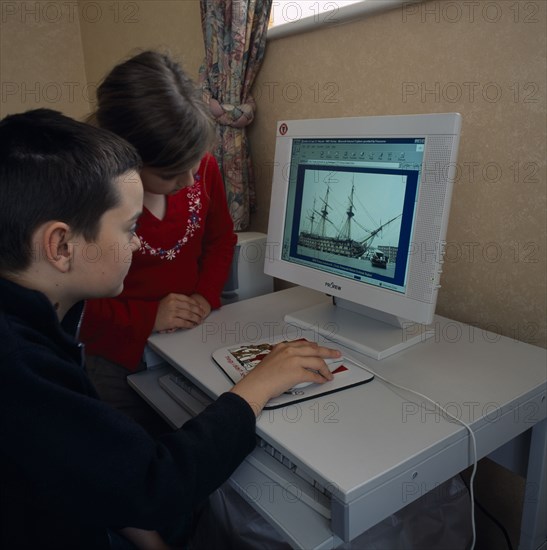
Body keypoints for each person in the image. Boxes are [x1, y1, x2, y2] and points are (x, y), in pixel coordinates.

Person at [0, 108, 338, 549]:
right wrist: (256, 387)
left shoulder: (34, 321)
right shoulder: (21, 367)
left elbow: (90, 468)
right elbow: (156, 484)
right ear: (61, 246)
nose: (138, 242)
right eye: (129, 227)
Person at [79, 51, 237, 433]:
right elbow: (77, 309)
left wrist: (204, 295)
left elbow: (220, 238)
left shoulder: (201, 169)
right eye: (170, 174)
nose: (188, 181)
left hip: (190, 340)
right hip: (118, 353)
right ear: (126, 160)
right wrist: (149, 317)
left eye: (194, 163)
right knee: (134, 448)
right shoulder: (90, 196)